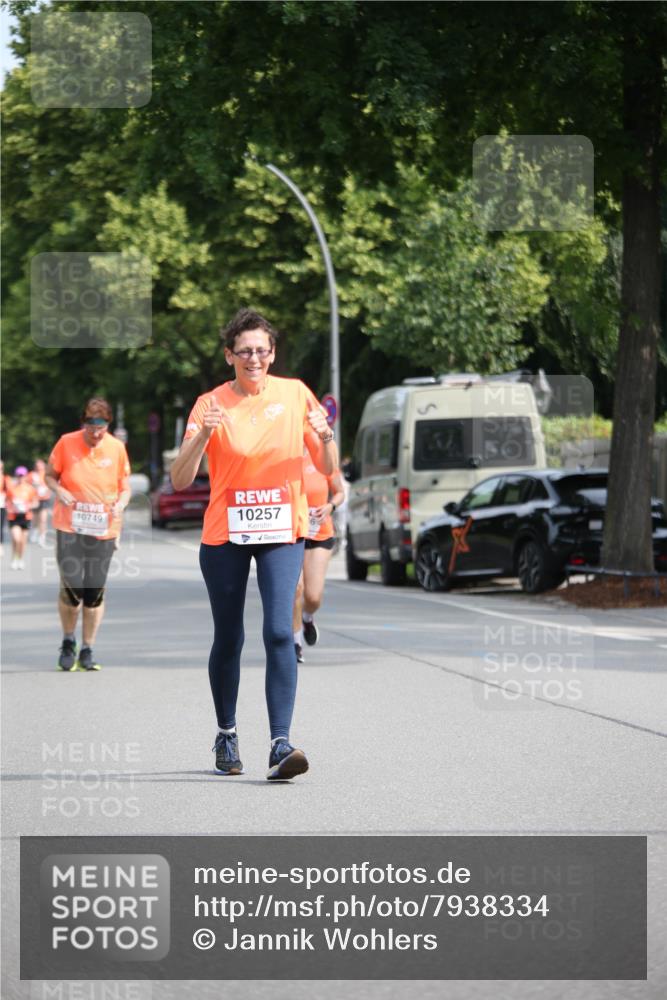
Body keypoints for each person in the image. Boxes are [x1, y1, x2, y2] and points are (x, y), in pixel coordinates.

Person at [170, 307, 337, 781]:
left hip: (283, 530)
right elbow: (180, 479)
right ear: (230, 355)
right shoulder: (210, 403)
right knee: (229, 637)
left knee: (280, 632)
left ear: (273, 353)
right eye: (245, 351)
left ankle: (281, 744)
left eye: (262, 350)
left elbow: (326, 465)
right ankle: (226, 734)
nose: (254, 358)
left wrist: (326, 439)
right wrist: (202, 433)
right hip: (225, 534)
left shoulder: (295, 393)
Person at [45, 397, 131, 672]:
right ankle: (68, 640)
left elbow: (125, 487)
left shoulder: (116, 448)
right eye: (92, 429)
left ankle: (87, 648)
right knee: (72, 589)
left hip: (104, 528)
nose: (96, 435)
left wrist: (121, 504)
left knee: (94, 591)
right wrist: (60, 491)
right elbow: (49, 476)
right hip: (70, 526)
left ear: (108, 426)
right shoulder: (66, 442)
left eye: (102, 429)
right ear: (83, 424)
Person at [292, 450, 345, 662]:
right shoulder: (286, 455)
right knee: (296, 589)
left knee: (313, 597)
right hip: (293, 532)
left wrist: (330, 506)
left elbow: (340, 492)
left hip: (319, 532)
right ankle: (295, 643)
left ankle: (307, 616)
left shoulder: (322, 458)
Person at [6, 467, 38, 569]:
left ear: (25, 476)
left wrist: (28, 506)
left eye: (22, 476)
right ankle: (14, 558)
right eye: (19, 476)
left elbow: (36, 502)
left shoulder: (30, 489)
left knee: (23, 541)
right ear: (16, 476)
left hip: (26, 517)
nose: (20, 478)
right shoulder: (12, 489)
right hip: (14, 517)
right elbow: (7, 502)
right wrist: (11, 508)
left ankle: (20, 559)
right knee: (16, 538)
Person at [30, 458, 52, 546]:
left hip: (44, 499)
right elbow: (26, 484)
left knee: (43, 519)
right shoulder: (31, 475)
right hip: (35, 499)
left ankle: (42, 537)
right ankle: (35, 531)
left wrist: (47, 490)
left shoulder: (47, 474)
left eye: (41, 466)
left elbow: (51, 484)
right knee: (35, 518)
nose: (39, 468)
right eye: (37, 466)